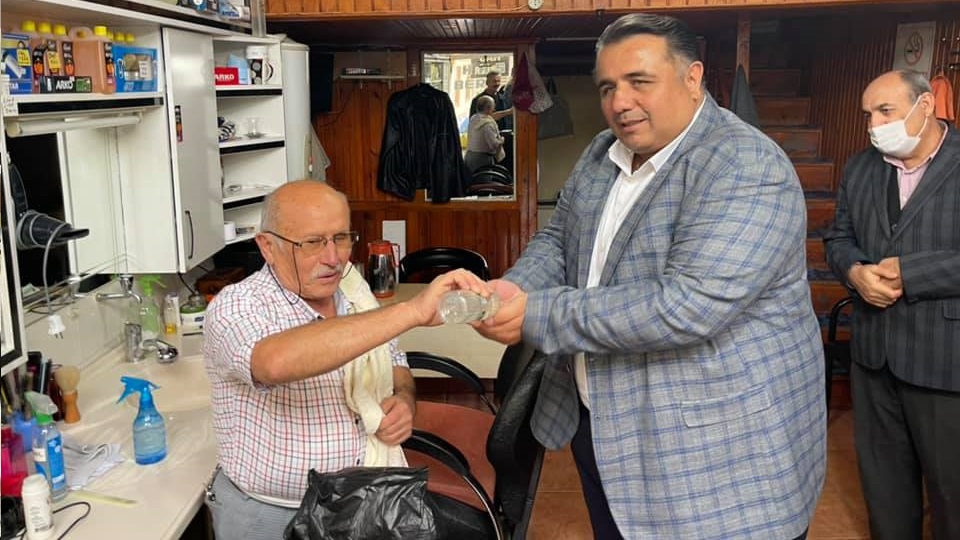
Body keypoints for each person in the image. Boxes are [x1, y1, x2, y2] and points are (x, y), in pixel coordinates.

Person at [473, 13, 825, 540]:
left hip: (714, 450)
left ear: (692, 77)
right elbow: (560, 238)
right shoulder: (601, 153)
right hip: (604, 425)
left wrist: (536, 312)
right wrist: (517, 286)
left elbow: (686, 306)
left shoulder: (745, 164)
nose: (620, 102)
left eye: (639, 81)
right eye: (608, 87)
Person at [202, 180, 486, 539]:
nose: (333, 258)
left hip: (364, 502)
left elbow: (394, 358)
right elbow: (273, 363)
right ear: (267, 246)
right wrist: (411, 311)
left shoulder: (354, 293)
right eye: (312, 242)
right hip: (273, 513)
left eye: (341, 238)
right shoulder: (235, 305)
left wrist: (403, 400)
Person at [824, 70, 960, 540]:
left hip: (945, 360)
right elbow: (838, 238)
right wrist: (855, 272)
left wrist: (911, 274)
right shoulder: (861, 167)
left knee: (952, 493)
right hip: (873, 356)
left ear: (926, 106)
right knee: (885, 490)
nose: (874, 125)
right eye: (869, 115)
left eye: (886, 111)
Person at [464, 95, 506, 173]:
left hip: (469, 156)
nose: (494, 109)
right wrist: (501, 140)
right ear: (488, 108)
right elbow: (493, 145)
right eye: (493, 107)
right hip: (482, 159)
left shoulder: (474, 118)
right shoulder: (487, 124)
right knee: (483, 180)